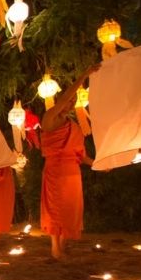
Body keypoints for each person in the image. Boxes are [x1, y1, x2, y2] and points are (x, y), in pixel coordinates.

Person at [37, 66, 98, 259]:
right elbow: (64, 97)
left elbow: (79, 155)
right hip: (55, 170)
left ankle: (63, 244)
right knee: (55, 208)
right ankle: (55, 246)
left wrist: (97, 164)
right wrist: (84, 75)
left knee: (70, 208)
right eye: (68, 100)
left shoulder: (72, 126)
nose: (70, 104)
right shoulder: (49, 119)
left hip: (72, 172)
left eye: (73, 102)